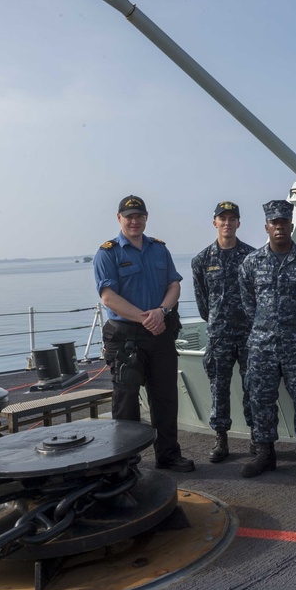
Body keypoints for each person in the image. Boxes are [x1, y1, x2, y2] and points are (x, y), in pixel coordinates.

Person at [94, 195, 195, 472]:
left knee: (165, 397)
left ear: (146, 217)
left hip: (160, 331)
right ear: (119, 219)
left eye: (139, 216)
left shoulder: (159, 249)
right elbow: (108, 297)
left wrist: (161, 312)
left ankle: (169, 455)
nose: (134, 221)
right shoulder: (108, 253)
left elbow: (174, 285)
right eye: (129, 217)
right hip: (126, 336)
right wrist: (145, 318)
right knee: (126, 403)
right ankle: (126, 463)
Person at [238, 199, 296, 480]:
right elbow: (248, 304)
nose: (279, 227)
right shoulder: (251, 262)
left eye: (284, 223)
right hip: (262, 345)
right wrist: (267, 327)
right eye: (274, 223)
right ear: (267, 227)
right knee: (261, 399)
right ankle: (265, 453)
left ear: (292, 225)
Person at [191, 200, 255, 463]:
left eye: (232, 219)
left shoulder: (252, 257)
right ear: (214, 222)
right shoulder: (202, 260)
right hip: (219, 335)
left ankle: (257, 436)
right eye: (222, 218)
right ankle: (221, 439)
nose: (227, 223)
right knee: (219, 387)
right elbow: (202, 302)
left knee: (254, 387)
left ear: (238, 223)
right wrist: (219, 321)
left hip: (249, 333)